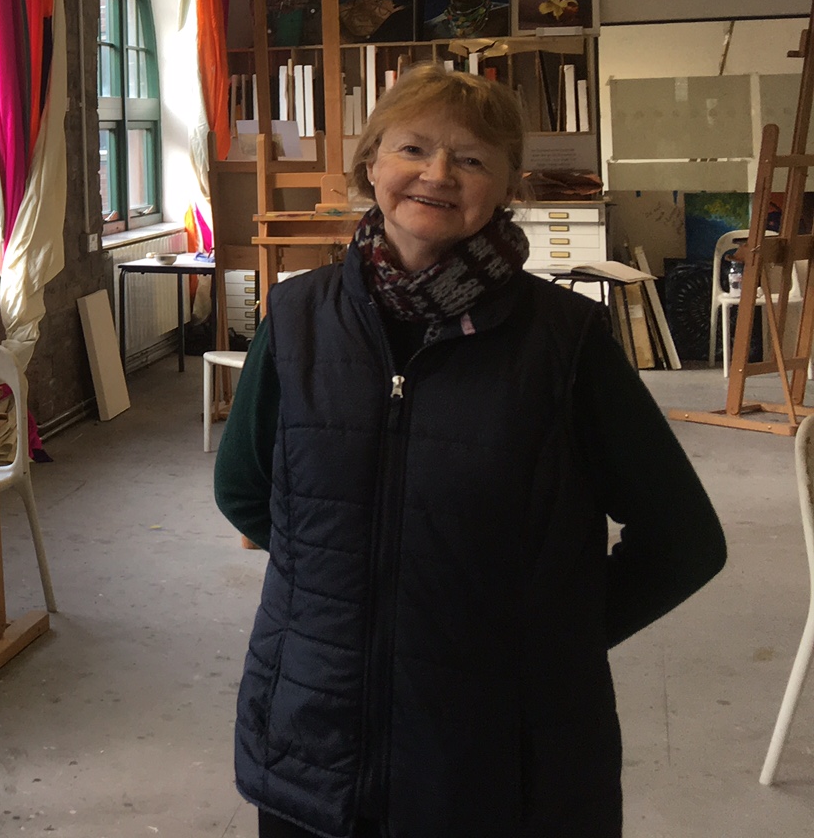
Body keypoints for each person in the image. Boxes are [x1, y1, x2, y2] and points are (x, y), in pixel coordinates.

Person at [213, 67, 725, 837]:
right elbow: (244, 488)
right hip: (315, 741)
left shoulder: (566, 342)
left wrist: (549, 644)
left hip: (502, 759)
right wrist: (340, 595)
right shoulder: (296, 318)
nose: (438, 173)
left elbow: (684, 541)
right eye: (413, 148)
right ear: (371, 163)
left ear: (507, 187)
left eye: (473, 158)